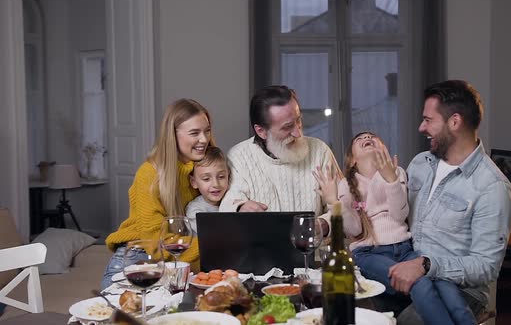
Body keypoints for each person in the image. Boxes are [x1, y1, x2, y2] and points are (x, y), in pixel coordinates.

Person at [314, 131, 476, 325]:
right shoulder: (346, 185)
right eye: (360, 139)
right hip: (369, 254)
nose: (367, 139)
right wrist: (333, 202)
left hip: (405, 249)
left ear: (384, 150)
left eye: (373, 138)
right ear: (352, 160)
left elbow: (400, 215)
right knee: (421, 282)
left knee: (444, 283)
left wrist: (391, 180)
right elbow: (354, 229)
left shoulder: (396, 171)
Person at [391, 80, 511, 324]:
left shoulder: (492, 187)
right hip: (407, 275)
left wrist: (426, 266)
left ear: (454, 122)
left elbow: (486, 266)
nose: (421, 127)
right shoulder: (419, 164)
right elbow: (397, 217)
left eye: (428, 120)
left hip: (460, 291)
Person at [101, 98, 215, 290]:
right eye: (195, 133)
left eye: (207, 131)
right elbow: (155, 241)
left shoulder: (206, 170)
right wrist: (213, 247)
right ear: (173, 135)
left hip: (182, 260)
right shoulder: (150, 174)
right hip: (138, 259)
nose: (204, 139)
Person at [219, 85, 340, 215]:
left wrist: (323, 225)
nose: (298, 133)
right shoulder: (238, 157)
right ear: (262, 132)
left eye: (298, 120)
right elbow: (227, 204)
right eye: (287, 127)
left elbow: (344, 208)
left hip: (314, 236)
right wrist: (240, 207)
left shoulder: (320, 151)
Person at [185, 146, 230, 235]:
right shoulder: (194, 210)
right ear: (194, 182)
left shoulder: (231, 200)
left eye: (221, 177)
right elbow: (215, 235)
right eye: (206, 179)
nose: (216, 184)